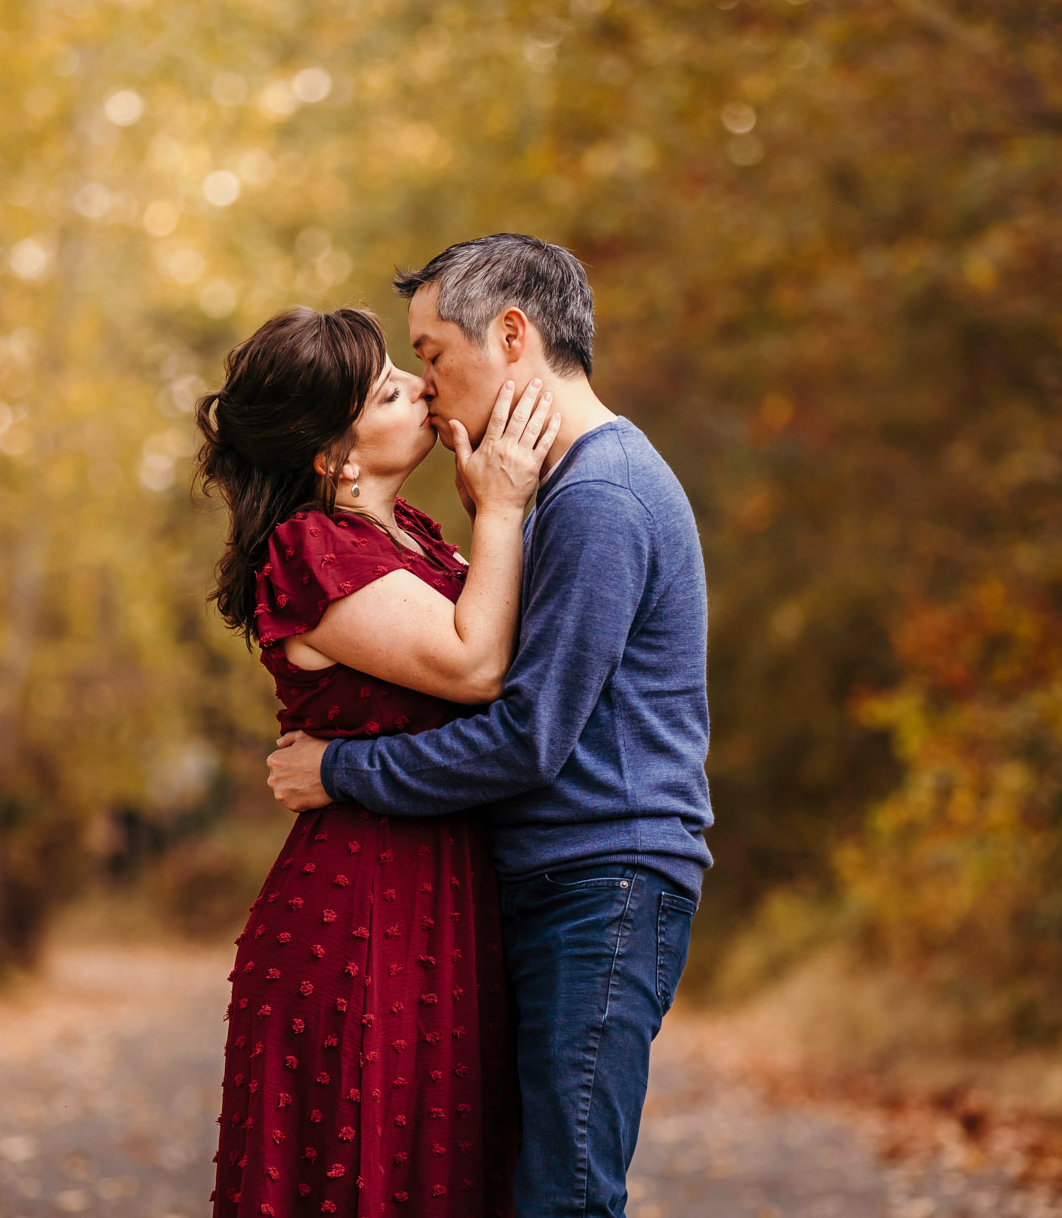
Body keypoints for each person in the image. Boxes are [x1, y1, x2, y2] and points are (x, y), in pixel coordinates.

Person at [267, 234, 714, 1218]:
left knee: (563, 1195)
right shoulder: (558, 492)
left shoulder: (598, 495)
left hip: (601, 878)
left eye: (428, 354)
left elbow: (524, 736)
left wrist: (339, 773)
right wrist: (493, 516)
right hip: (555, 876)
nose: (425, 388)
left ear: (510, 335)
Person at [193, 303, 561, 1217]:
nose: (421, 385)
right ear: (334, 458)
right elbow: (476, 667)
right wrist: (506, 508)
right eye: (389, 389)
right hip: (358, 921)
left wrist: (485, 512)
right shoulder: (310, 549)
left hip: (440, 898)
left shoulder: (417, 537)